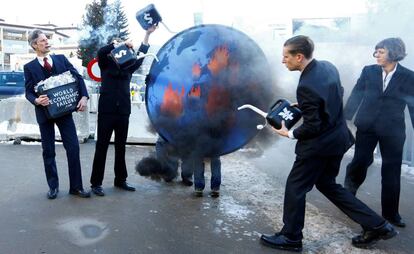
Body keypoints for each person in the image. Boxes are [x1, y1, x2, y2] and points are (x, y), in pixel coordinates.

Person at [260, 35, 397, 252]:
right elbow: (336, 95)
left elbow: (313, 126)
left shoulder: (306, 85)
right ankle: (378, 225)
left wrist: (290, 134)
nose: (282, 60)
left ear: (299, 56)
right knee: (328, 185)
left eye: (286, 56)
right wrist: (307, 105)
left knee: (295, 187)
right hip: (337, 139)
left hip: (318, 147)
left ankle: (291, 238)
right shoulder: (327, 67)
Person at [343, 38, 414, 228]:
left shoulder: (409, 76)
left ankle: (391, 213)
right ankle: (347, 199)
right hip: (367, 126)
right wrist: (345, 119)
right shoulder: (369, 71)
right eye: (376, 52)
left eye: (380, 52)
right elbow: (357, 93)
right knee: (360, 162)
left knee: (391, 171)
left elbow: (413, 105)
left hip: (393, 131)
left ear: (393, 52)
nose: (376, 55)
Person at [90, 25, 157, 196]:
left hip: (123, 112)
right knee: (102, 147)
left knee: (121, 147)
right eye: (117, 46)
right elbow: (101, 51)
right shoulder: (105, 63)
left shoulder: (128, 65)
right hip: (107, 110)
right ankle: (96, 183)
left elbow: (141, 55)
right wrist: (116, 44)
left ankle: (120, 180)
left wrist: (147, 34)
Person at [24, 29, 90, 199]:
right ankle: (53, 187)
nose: (47, 42)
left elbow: (78, 78)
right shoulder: (29, 67)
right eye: (42, 41)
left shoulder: (61, 59)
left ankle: (76, 187)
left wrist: (84, 96)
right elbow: (28, 92)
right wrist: (36, 100)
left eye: (47, 39)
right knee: (48, 151)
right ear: (34, 45)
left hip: (64, 111)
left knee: (73, 148)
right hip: (44, 115)